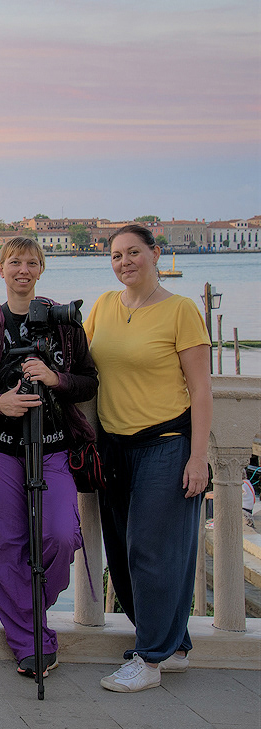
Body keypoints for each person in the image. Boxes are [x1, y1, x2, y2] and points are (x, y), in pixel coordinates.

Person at [0, 236, 98, 677]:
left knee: (59, 535)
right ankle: (31, 643)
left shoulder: (64, 323)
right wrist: (0, 404)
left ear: (41, 270)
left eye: (31, 262)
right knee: (5, 545)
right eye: (14, 262)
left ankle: (26, 611)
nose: (23, 269)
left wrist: (55, 378)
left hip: (53, 446)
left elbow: (89, 382)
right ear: (0, 270)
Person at [86, 224, 211, 693]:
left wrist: (197, 457)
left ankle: (150, 658)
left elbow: (201, 389)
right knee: (119, 551)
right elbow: (81, 363)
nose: (124, 263)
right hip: (113, 446)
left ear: (155, 254)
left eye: (133, 252)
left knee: (151, 551)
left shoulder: (180, 311)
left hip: (166, 443)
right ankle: (172, 644)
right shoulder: (102, 306)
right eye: (116, 256)